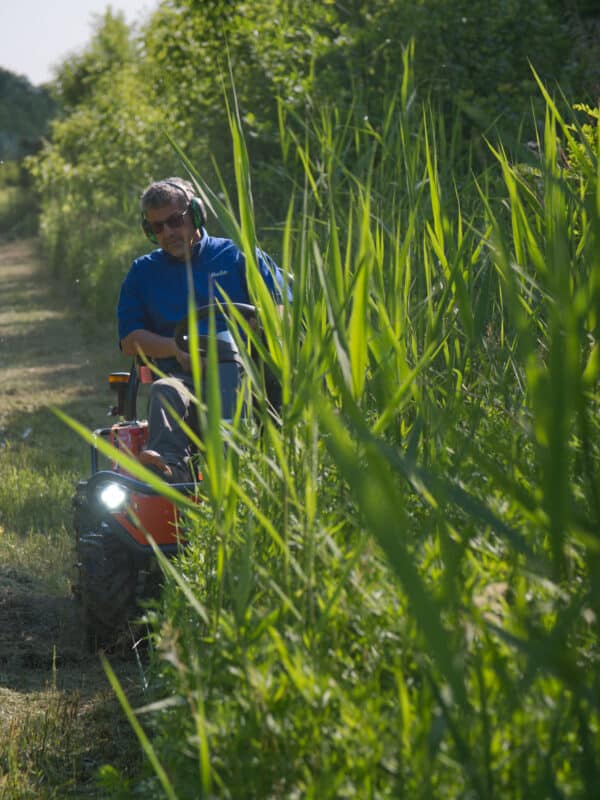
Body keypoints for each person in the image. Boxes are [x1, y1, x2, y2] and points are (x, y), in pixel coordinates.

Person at [117, 176, 285, 482]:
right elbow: (130, 341)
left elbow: (281, 306)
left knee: (285, 381)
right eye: (157, 227)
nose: (168, 233)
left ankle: (289, 467)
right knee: (164, 390)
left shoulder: (236, 255)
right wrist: (175, 348)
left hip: (249, 374)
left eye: (175, 221)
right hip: (184, 379)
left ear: (195, 214)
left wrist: (255, 329)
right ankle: (170, 470)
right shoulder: (143, 273)